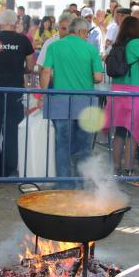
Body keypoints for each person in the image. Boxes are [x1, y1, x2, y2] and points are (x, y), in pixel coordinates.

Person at [40, 18, 104, 189]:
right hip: (86, 102)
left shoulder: (55, 46)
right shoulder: (91, 49)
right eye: (87, 33)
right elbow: (98, 77)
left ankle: (64, 184)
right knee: (84, 146)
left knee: (62, 144)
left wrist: (42, 95)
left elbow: (46, 72)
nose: (87, 37)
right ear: (82, 32)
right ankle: (82, 183)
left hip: (61, 101)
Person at [0, 10, 35, 177]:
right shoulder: (23, 40)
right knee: (12, 129)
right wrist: (19, 71)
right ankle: (10, 166)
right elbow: (31, 67)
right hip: (15, 90)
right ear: (16, 22)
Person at [103, 17, 139, 180]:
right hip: (132, 92)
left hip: (116, 92)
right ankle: (128, 168)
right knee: (133, 131)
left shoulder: (117, 45)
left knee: (119, 131)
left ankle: (115, 167)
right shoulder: (135, 43)